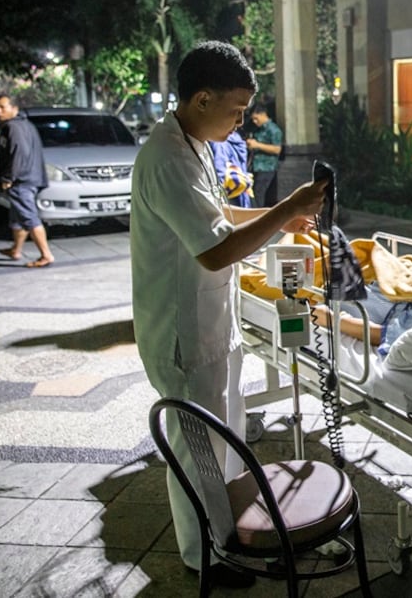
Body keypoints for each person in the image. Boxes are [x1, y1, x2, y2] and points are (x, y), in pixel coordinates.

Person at [130, 40, 326, 589]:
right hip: (183, 335)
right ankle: (205, 557)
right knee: (199, 452)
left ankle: (233, 534)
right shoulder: (168, 157)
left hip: (214, 323)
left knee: (227, 440)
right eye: (235, 110)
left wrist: (278, 219)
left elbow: (220, 215)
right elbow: (215, 247)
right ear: (200, 99)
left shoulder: (196, 144)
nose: (241, 123)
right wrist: (287, 207)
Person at [0, 94, 54, 268]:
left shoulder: (12, 127)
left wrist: (8, 178)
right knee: (18, 217)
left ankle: (46, 255)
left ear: (14, 109)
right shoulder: (26, 125)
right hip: (31, 177)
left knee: (29, 218)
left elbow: (17, 154)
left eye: (2, 107)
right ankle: (16, 249)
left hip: (22, 180)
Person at [245, 104, 283, 207]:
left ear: (262, 114)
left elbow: (277, 149)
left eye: (256, 118)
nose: (254, 121)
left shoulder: (273, 130)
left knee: (259, 194)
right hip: (256, 166)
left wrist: (257, 145)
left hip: (267, 167)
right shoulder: (258, 129)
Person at [210, 129, 252, 208]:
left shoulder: (220, 142)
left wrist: (219, 192)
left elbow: (220, 166)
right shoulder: (237, 138)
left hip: (229, 187)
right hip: (241, 184)